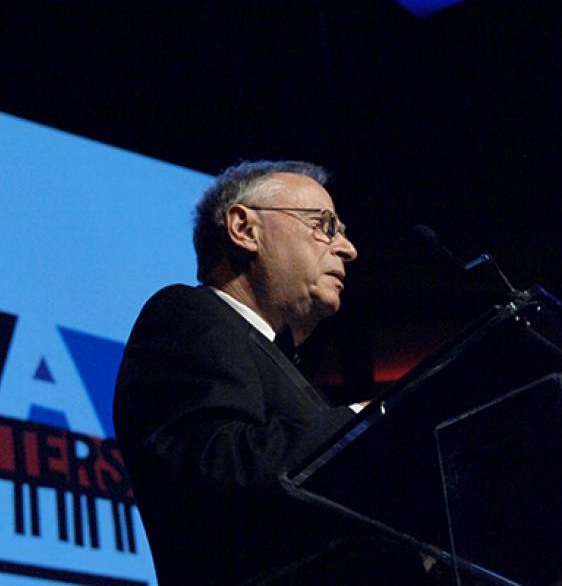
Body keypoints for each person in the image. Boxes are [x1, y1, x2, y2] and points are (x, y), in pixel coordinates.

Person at [113, 160, 428, 585]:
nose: (347, 248)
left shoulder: (285, 371)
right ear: (244, 229)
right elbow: (214, 465)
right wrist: (363, 419)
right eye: (325, 225)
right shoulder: (190, 314)